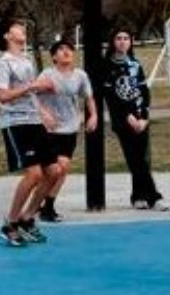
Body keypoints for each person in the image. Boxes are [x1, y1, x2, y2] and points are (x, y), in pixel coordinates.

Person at [0, 17, 62, 246]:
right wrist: (32, 86)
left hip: (34, 121)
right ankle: (9, 223)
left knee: (54, 171)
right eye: (16, 27)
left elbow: (30, 94)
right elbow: (3, 96)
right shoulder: (4, 62)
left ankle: (27, 218)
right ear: (7, 35)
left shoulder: (27, 60)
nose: (22, 29)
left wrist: (44, 113)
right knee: (34, 174)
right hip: (16, 124)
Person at [101, 26, 168, 211]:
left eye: (126, 38)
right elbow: (111, 97)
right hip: (123, 121)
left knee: (140, 160)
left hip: (141, 120)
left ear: (131, 42)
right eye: (119, 38)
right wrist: (127, 116)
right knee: (135, 160)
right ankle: (154, 197)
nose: (122, 41)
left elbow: (144, 92)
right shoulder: (106, 65)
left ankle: (138, 196)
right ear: (113, 41)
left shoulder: (135, 64)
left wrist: (144, 117)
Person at [36, 36, 98, 222]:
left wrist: (93, 115)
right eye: (61, 50)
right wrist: (44, 114)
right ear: (54, 57)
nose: (66, 52)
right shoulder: (47, 74)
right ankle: (36, 203)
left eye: (69, 49)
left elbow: (88, 97)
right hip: (49, 130)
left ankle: (48, 207)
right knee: (49, 171)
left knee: (63, 169)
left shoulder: (80, 76)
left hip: (69, 129)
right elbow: (32, 96)